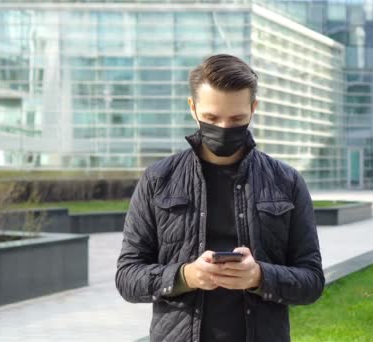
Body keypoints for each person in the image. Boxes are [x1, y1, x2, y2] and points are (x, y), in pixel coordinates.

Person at [115, 54, 324, 342]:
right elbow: (127, 277)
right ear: (193, 108)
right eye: (212, 118)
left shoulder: (286, 182)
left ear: (253, 109)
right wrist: (186, 276)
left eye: (237, 119)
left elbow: (312, 281)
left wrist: (260, 277)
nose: (224, 128)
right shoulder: (158, 180)